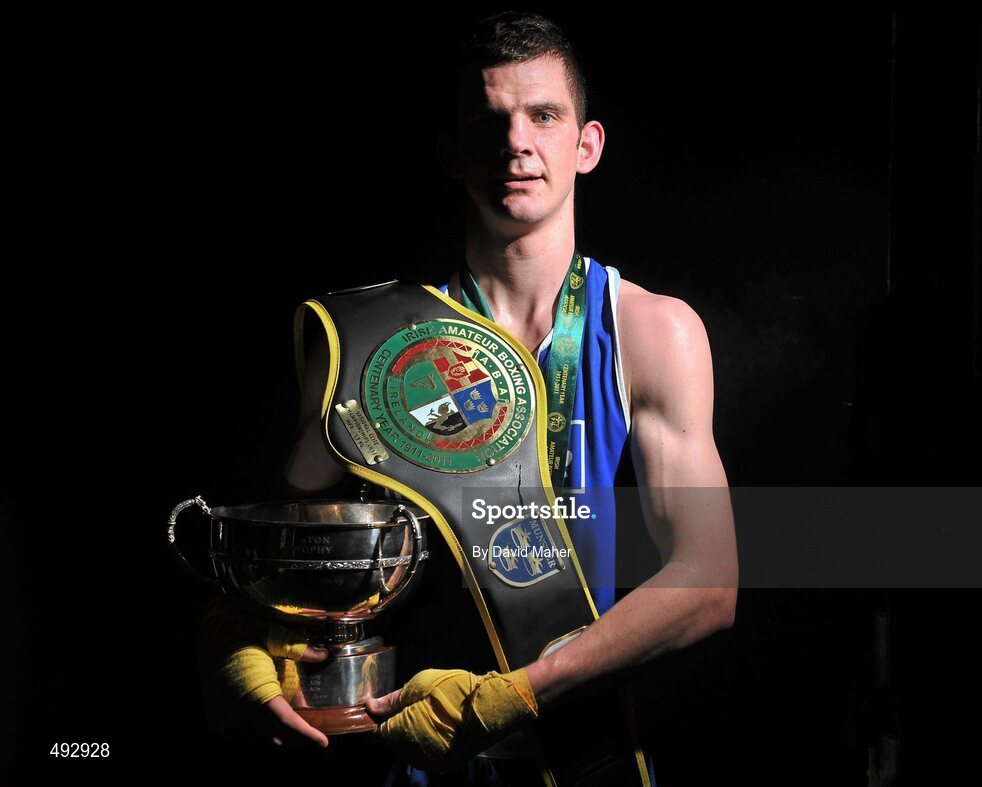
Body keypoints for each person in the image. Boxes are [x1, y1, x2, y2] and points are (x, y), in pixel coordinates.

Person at [197, 11, 738, 786]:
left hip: (576, 756)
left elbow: (709, 583)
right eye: (490, 121)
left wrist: (513, 694)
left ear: (586, 145)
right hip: (404, 761)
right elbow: (296, 552)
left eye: (543, 115)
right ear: (451, 153)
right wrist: (237, 638)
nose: (516, 141)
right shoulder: (371, 341)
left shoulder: (653, 331)